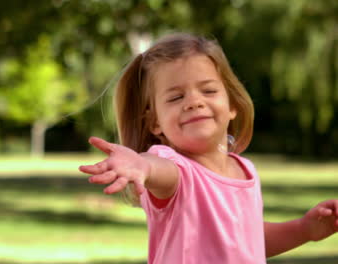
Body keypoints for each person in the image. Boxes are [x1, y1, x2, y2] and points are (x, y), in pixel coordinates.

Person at [78, 32, 338, 264]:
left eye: (208, 91)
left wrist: (305, 230)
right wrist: (139, 164)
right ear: (155, 122)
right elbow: (157, 168)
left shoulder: (245, 169)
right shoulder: (175, 170)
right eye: (176, 97)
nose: (194, 102)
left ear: (232, 104)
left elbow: (250, 243)